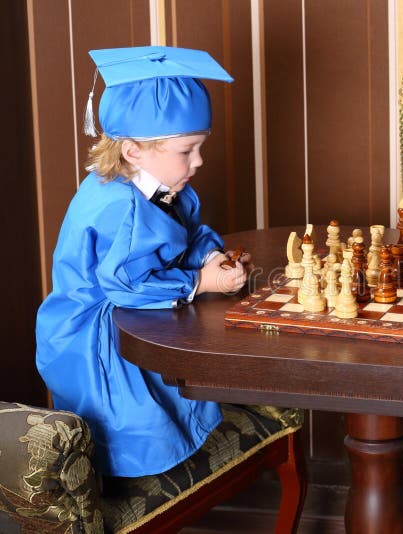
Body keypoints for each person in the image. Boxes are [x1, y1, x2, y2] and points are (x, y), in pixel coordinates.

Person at [36, 46, 250, 477]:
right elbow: (125, 285)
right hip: (95, 335)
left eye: (200, 147)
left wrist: (209, 255)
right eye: (187, 150)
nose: (199, 161)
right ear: (133, 150)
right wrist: (200, 283)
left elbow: (186, 231)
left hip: (125, 312)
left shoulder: (159, 184)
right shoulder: (121, 207)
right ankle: (131, 477)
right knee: (133, 427)